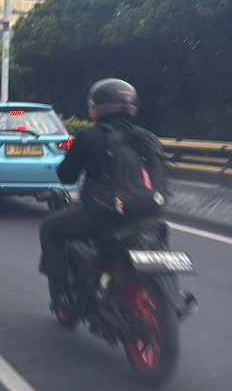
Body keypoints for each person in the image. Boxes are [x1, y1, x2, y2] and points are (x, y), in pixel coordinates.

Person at [39, 78, 168, 313]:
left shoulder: (90, 137)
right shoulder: (149, 138)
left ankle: (62, 295)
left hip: (105, 214)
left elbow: (66, 175)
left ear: (96, 108)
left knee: (49, 229)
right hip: (151, 213)